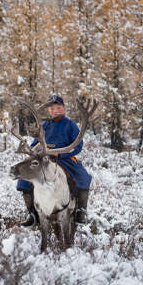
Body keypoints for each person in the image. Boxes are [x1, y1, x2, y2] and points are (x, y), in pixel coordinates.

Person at [16, 94, 92, 226]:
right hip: (44, 159)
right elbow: (35, 144)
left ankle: (81, 210)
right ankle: (32, 214)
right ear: (48, 110)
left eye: (58, 108)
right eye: (51, 108)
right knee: (24, 180)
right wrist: (34, 150)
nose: (54, 111)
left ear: (63, 108)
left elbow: (78, 145)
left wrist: (60, 154)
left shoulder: (70, 125)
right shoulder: (44, 125)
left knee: (84, 177)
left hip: (65, 158)